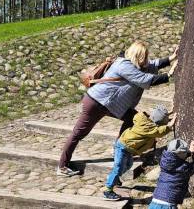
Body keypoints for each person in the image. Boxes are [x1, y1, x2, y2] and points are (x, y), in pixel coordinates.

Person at [57, 41, 178, 176]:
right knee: (78, 134)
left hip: (113, 105)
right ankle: (62, 166)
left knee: (134, 119)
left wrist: (170, 59)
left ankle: (119, 149)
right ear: (137, 56)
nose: (146, 59)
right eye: (144, 56)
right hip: (96, 103)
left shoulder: (135, 64)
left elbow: (151, 65)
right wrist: (169, 75)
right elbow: (144, 79)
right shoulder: (124, 65)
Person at [103, 105, 177, 201]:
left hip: (129, 148)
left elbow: (148, 118)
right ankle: (108, 190)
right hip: (123, 146)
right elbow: (159, 132)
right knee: (118, 167)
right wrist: (170, 125)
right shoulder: (148, 128)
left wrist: (168, 113)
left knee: (128, 165)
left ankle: (114, 177)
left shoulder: (143, 119)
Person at [149, 137, 194, 208]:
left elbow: (175, 158)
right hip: (168, 204)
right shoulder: (183, 169)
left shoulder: (164, 162)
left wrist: (189, 152)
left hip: (155, 201)